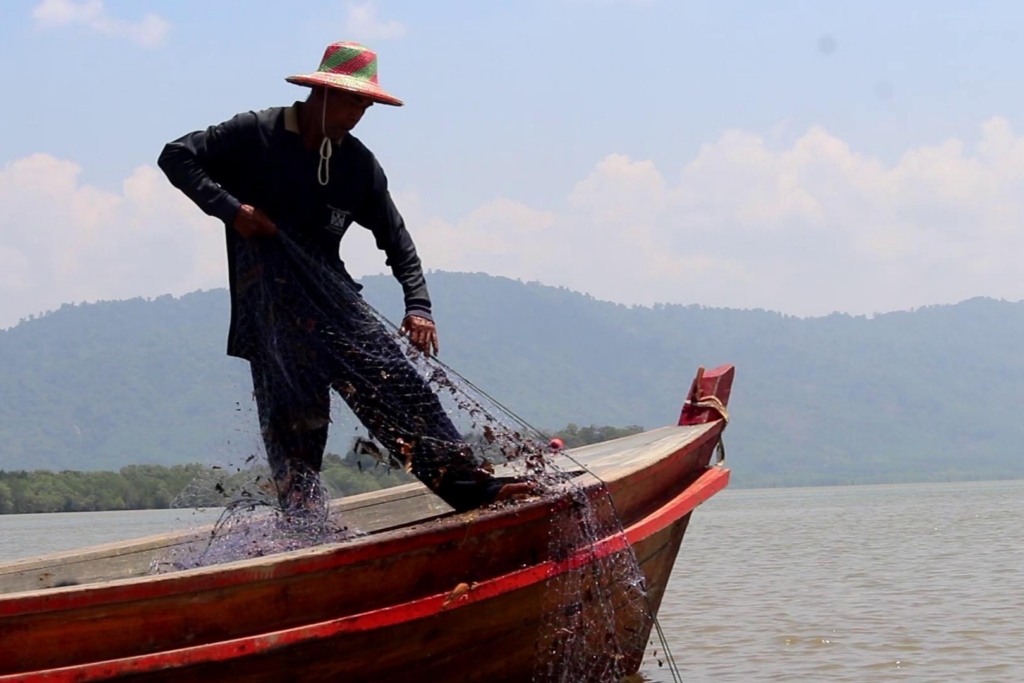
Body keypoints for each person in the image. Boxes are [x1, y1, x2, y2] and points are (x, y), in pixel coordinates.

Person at [158, 41, 529, 513]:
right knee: (296, 424)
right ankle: (303, 524)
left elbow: (397, 240)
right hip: (270, 310)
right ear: (322, 92)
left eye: (366, 104)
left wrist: (419, 306)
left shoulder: (357, 165)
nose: (360, 112)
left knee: (398, 386)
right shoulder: (257, 132)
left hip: (335, 304)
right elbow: (176, 155)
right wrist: (233, 212)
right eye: (353, 100)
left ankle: (472, 491)